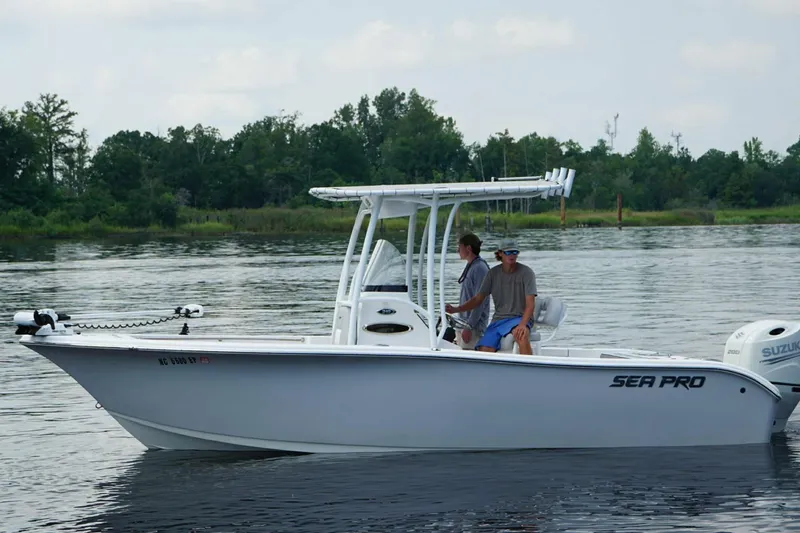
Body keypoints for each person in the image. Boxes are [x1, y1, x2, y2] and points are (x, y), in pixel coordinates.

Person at [445, 238, 537, 355]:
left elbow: (530, 304)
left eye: (515, 252)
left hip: (519, 318)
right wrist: (456, 309)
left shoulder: (527, 273)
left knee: (521, 336)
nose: (512, 255)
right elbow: (478, 299)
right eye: (508, 252)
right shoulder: (492, 274)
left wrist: (523, 325)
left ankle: (528, 370)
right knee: (484, 350)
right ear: (500, 254)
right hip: (498, 320)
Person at [454, 233, 490, 349]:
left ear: (468, 248)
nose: (457, 250)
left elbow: (480, 300)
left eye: (459, 246)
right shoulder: (471, 266)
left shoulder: (480, 268)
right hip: (463, 325)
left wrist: (469, 326)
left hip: (472, 329)